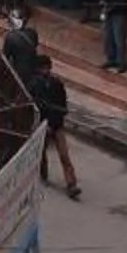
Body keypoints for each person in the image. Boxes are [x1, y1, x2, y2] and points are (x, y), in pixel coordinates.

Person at [33, 56, 80, 197]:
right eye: (43, 68)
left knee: (64, 155)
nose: (45, 70)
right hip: (43, 125)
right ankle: (43, 174)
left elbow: (62, 104)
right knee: (42, 152)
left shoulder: (57, 84)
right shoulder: (34, 85)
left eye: (47, 67)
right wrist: (44, 123)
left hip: (57, 124)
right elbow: (37, 107)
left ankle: (71, 183)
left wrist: (56, 120)